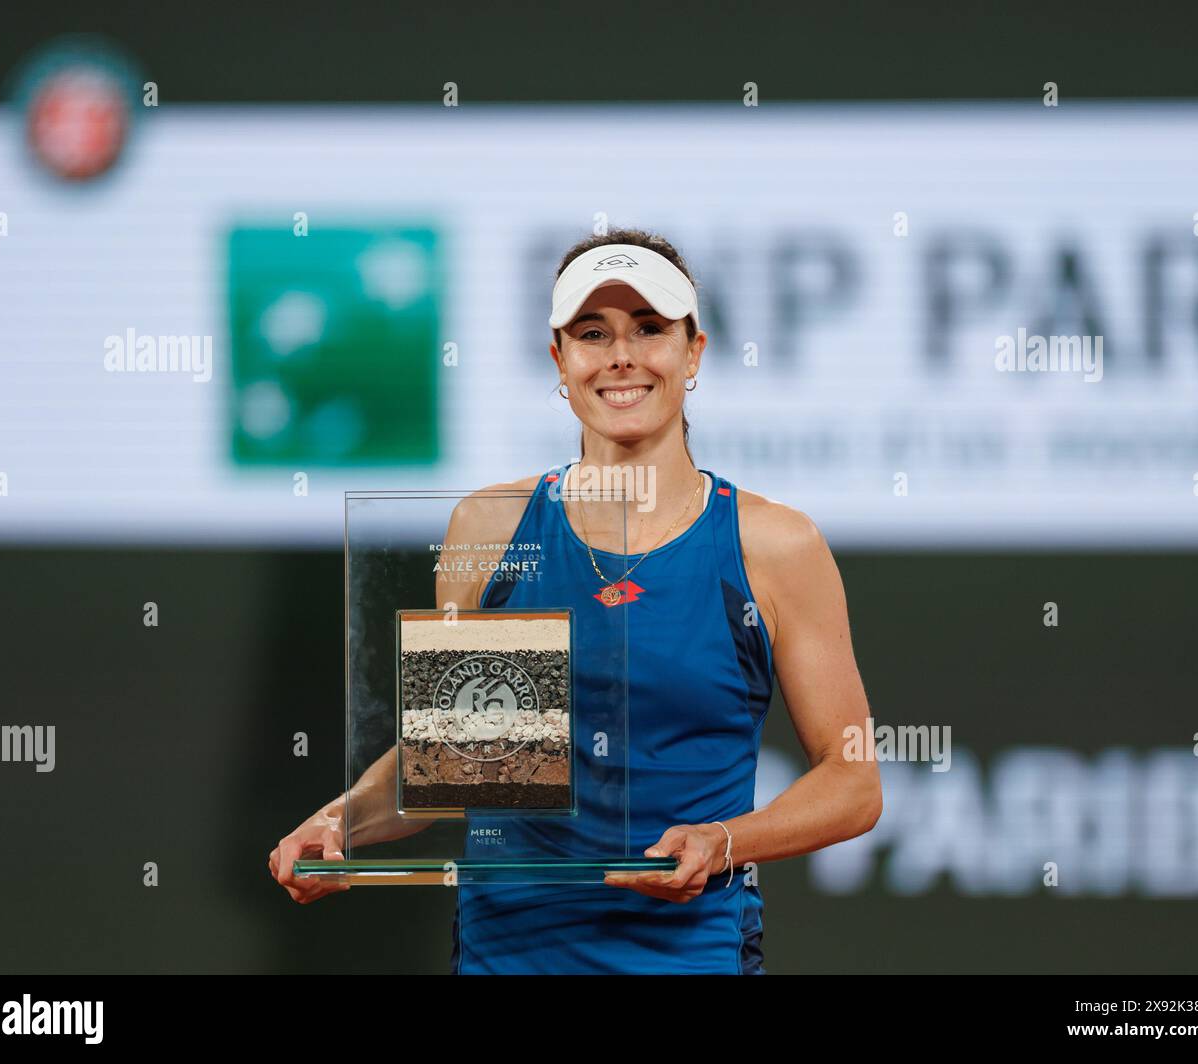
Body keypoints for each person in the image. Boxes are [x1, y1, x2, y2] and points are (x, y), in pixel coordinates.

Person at [270, 228, 881, 974]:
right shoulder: (491, 529)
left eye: (649, 329)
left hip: (688, 958)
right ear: (561, 362)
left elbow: (852, 782)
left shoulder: (774, 545)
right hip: (509, 954)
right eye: (593, 334)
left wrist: (723, 843)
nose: (621, 356)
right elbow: (454, 764)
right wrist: (341, 823)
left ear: (695, 354)